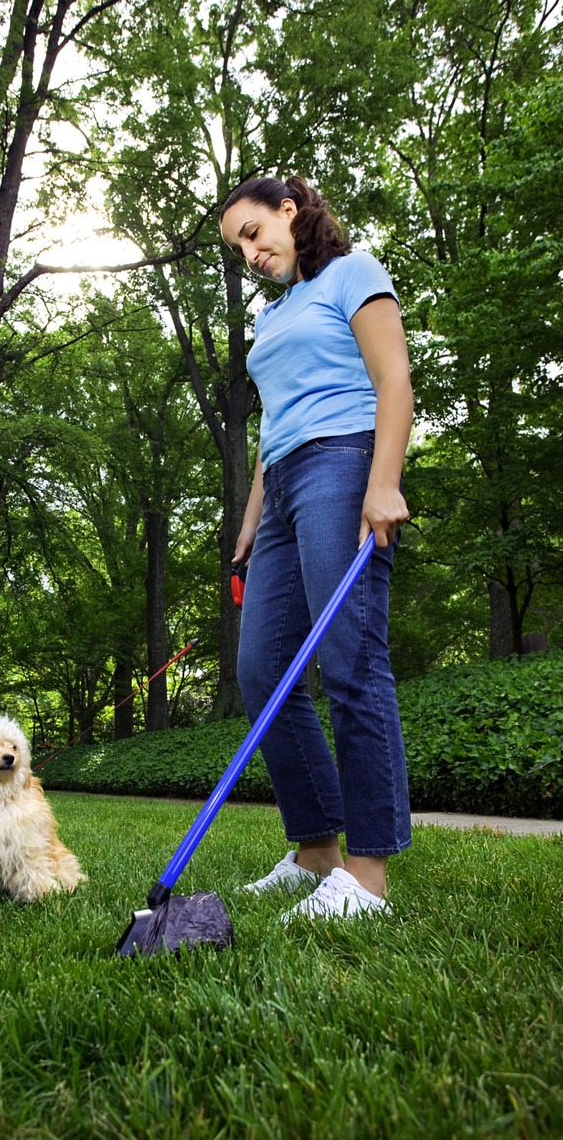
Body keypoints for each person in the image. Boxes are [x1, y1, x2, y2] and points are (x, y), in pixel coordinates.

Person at [219, 176, 413, 921]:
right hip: (285, 484)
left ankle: (366, 875)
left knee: (350, 658)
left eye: (254, 230)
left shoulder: (352, 273)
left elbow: (393, 376)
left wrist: (383, 481)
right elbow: (274, 426)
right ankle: (316, 853)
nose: (251, 250)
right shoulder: (273, 318)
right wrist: (250, 516)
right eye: (240, 244)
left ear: (289, 211)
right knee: (262, 668)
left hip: (345, 461)